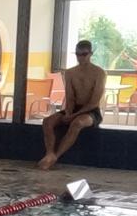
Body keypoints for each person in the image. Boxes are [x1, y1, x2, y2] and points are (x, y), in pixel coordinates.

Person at [40, 40, 107, 170]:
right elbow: (70, 97)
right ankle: (49, 153)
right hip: (74, 109)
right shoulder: (70, 73)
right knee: (47, 121)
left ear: (91, 54)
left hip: (92, 111)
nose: (80, 57)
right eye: (78, 54)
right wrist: (68, 112)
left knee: (77, 123)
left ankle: (56, 156)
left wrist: (73, 116)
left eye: (84, 54)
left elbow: (94, 102)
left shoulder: (99, 73)